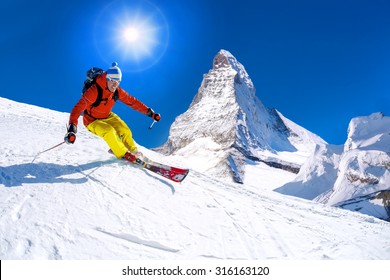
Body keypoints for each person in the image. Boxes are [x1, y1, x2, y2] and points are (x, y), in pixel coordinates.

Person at [64, 62, 160, 163]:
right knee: (109, 131)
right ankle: (123, 154)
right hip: (92, 120)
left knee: (124, 130)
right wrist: (72, 128)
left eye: (118, 81)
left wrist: (150, 113)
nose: (115, 84)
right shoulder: (94, 91)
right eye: (113, 81)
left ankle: (134, 152)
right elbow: (77, 109)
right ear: (107, 78)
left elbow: (132, 101)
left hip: (107, 116)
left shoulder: (117, 91)